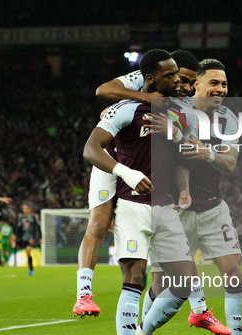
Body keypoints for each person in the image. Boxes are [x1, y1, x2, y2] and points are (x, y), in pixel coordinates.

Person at [84, 49, 228, 335]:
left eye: (181, 76)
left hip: (165, 208)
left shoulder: (179, 112)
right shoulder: (126, 108)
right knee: (133, 280)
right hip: (133, 205)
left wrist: (188, 146)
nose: (179, 80)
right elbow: (91, 148)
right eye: (172, 76)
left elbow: (184, 158)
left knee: (184, 283)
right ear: (152, 79)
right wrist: (126, 173)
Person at [140, 58, 242, 335]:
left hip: (212, 208)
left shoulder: (228, 118)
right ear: (196, 84)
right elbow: (175, 159)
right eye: (214, 83)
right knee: (163, 284)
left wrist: (208, 152)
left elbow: (231, 163)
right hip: (176, 210)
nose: (221, 90)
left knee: (234, 272)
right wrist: (182, 187)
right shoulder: (178, 111)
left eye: (224, 84)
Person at [73, 50, 202, 318]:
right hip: (112, 159)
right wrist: (142, 99)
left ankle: (192, 310)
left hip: (143, 170)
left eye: (191, 83)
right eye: (182, 79)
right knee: (98, 222)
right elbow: (103, 91)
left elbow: (190, 147)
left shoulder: (184, 104)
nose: (185, 87)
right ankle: (84, 294)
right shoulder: (144, 80)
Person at [17, 204, 41, 276]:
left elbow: (38, 228)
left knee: (28, 251)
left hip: (31, 238)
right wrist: (16, 236)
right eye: (24, 209)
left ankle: (31, 270)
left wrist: (40, 237)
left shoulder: (32, 218)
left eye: (27, 208)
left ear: (30, 209)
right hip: (24, 238)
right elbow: (19, 229)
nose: (25, 210)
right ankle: (31, 270)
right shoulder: (22, 219)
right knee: (27, 254)